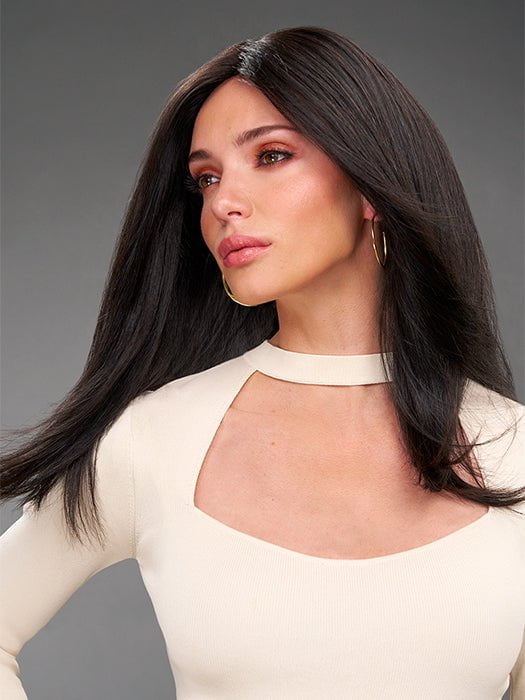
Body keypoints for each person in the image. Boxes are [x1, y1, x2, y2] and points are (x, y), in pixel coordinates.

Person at [1, 25, 524, 700]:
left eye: (271, 156)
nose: (222, 203)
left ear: (371, 184)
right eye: (206, 178)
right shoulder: (156, 439)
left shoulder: (513, 450)